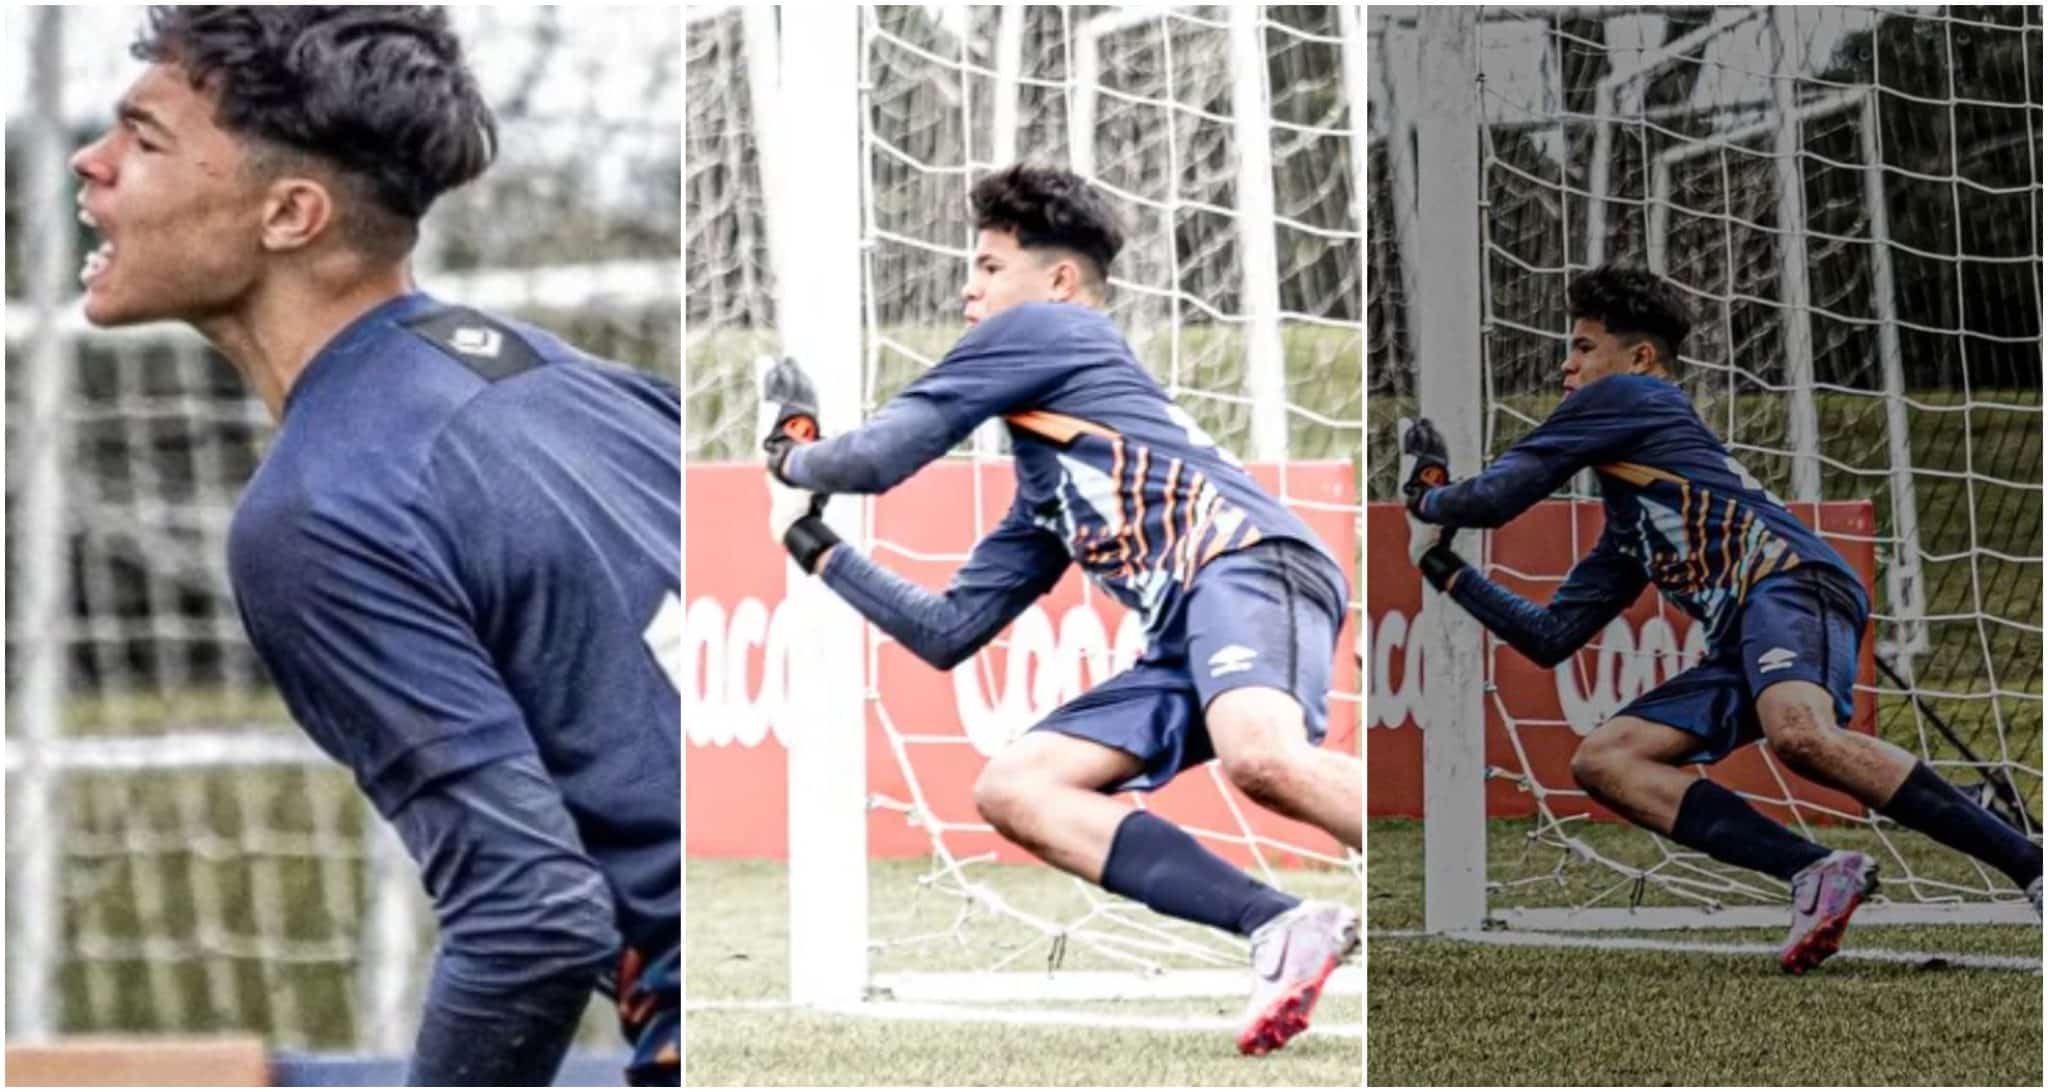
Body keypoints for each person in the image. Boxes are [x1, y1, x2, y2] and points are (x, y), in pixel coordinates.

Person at [71, 8, 680, 1083]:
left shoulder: (322, 509)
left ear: (291, 214)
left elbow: (532, 919)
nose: (93, 161)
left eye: (145, 139)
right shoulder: (583, 388)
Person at [759, 163, 1361, 1055]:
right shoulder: (1047, 485)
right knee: (1015, 786)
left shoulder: (1053, 328)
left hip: (1248, 562)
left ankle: (1416, 872)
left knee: (1261, 758)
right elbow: (947, 632)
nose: (969, 286)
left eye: (991, 265)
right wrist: (816, 550)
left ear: (1060, 281)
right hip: (1185, 631)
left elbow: (882, 456)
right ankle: (1280, 925)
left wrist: (789, 454)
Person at [1404, 264, 2043, 972]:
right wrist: (1446, 571)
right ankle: (1815, 871)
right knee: (1606, 760)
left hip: (1792, 583)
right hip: (1741, 633)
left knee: (1798, 733)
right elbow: (1551, 637)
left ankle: (2031, 864)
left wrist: (1429, 497)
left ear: (1639, 357)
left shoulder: (1635, 395)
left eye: (1584, 346)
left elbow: (1494, 497)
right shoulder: (1631, 523)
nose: (1567, 362)